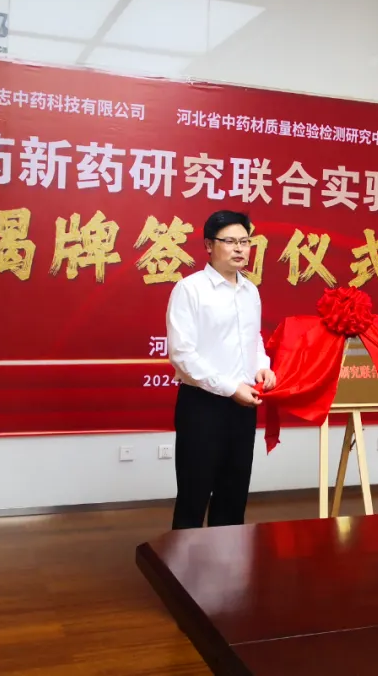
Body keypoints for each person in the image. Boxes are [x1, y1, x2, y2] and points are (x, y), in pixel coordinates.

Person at [165, 210, 276, 530]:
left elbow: (254, 339)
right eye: (230, 241)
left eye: (245, 241)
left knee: (233, 495)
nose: (240, 248)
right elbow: (182, 354)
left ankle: (228, 560)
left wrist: (263, 367)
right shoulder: (190, 289)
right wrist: (230, 388)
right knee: (194, 494)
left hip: (244, 404)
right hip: (202, 405)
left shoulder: (250, 291)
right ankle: (184, 560)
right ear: (208, 245)